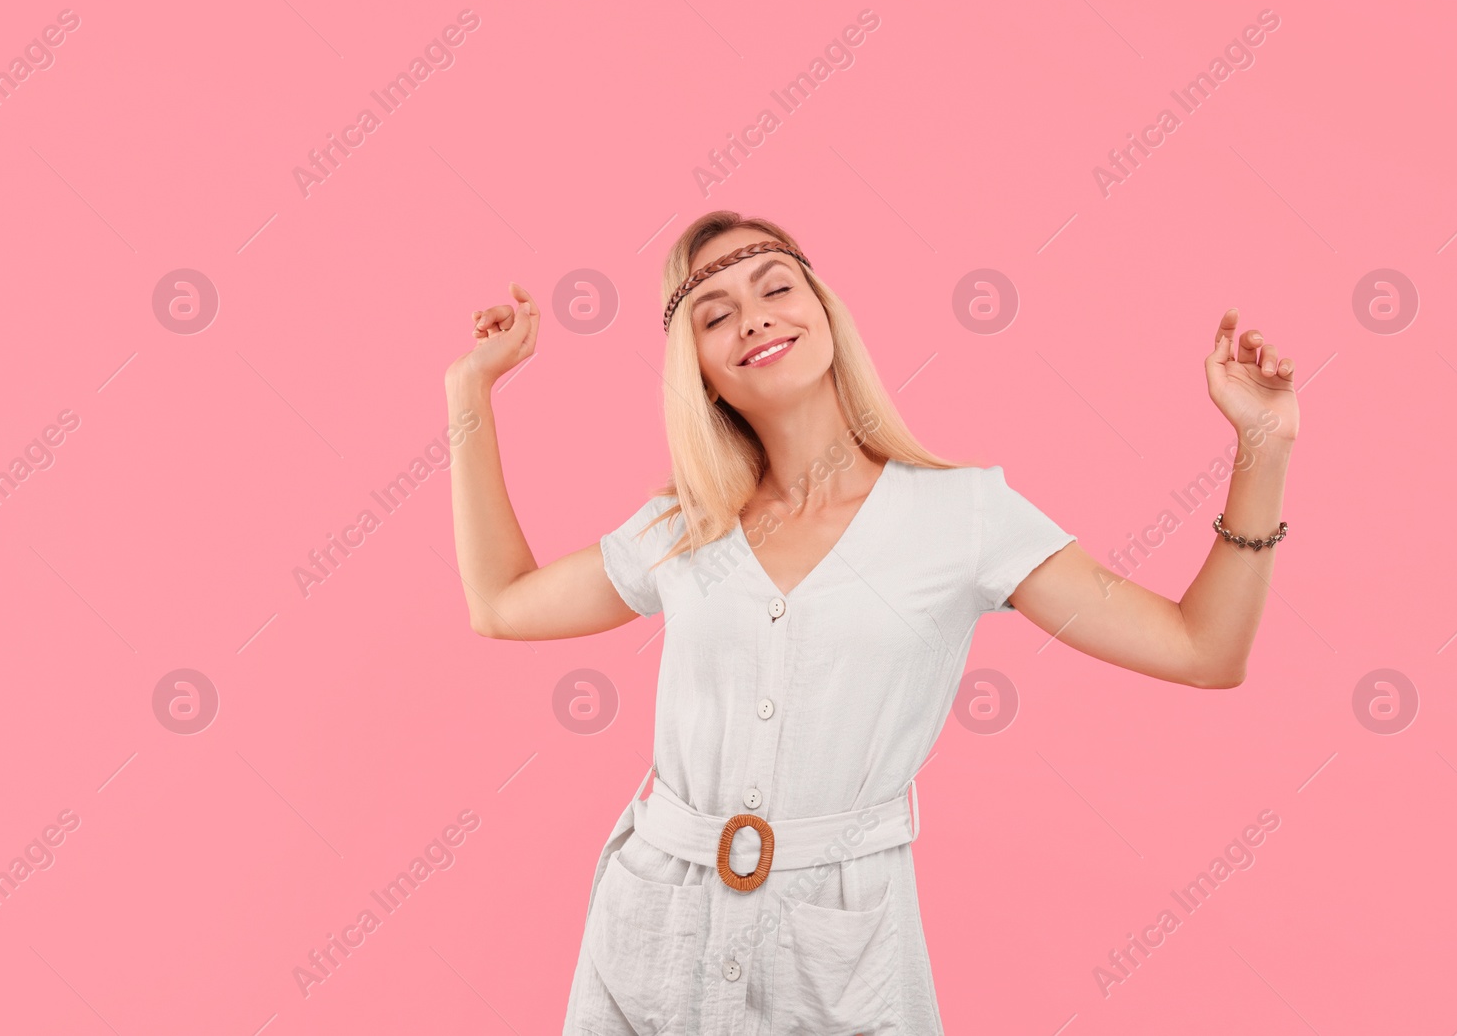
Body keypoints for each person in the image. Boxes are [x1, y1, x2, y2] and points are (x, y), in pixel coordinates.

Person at [442, 210, 1299, 1035]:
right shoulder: (684, 527)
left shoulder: (963, 515)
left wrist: (1262, 444)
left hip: (841, 948)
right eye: (716, 313)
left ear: (823, 310)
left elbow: (1204, 649)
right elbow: (502, 601)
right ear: (696, 366)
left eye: (776, 287)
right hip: (652, 928)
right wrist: (469, 390)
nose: (755, 319)